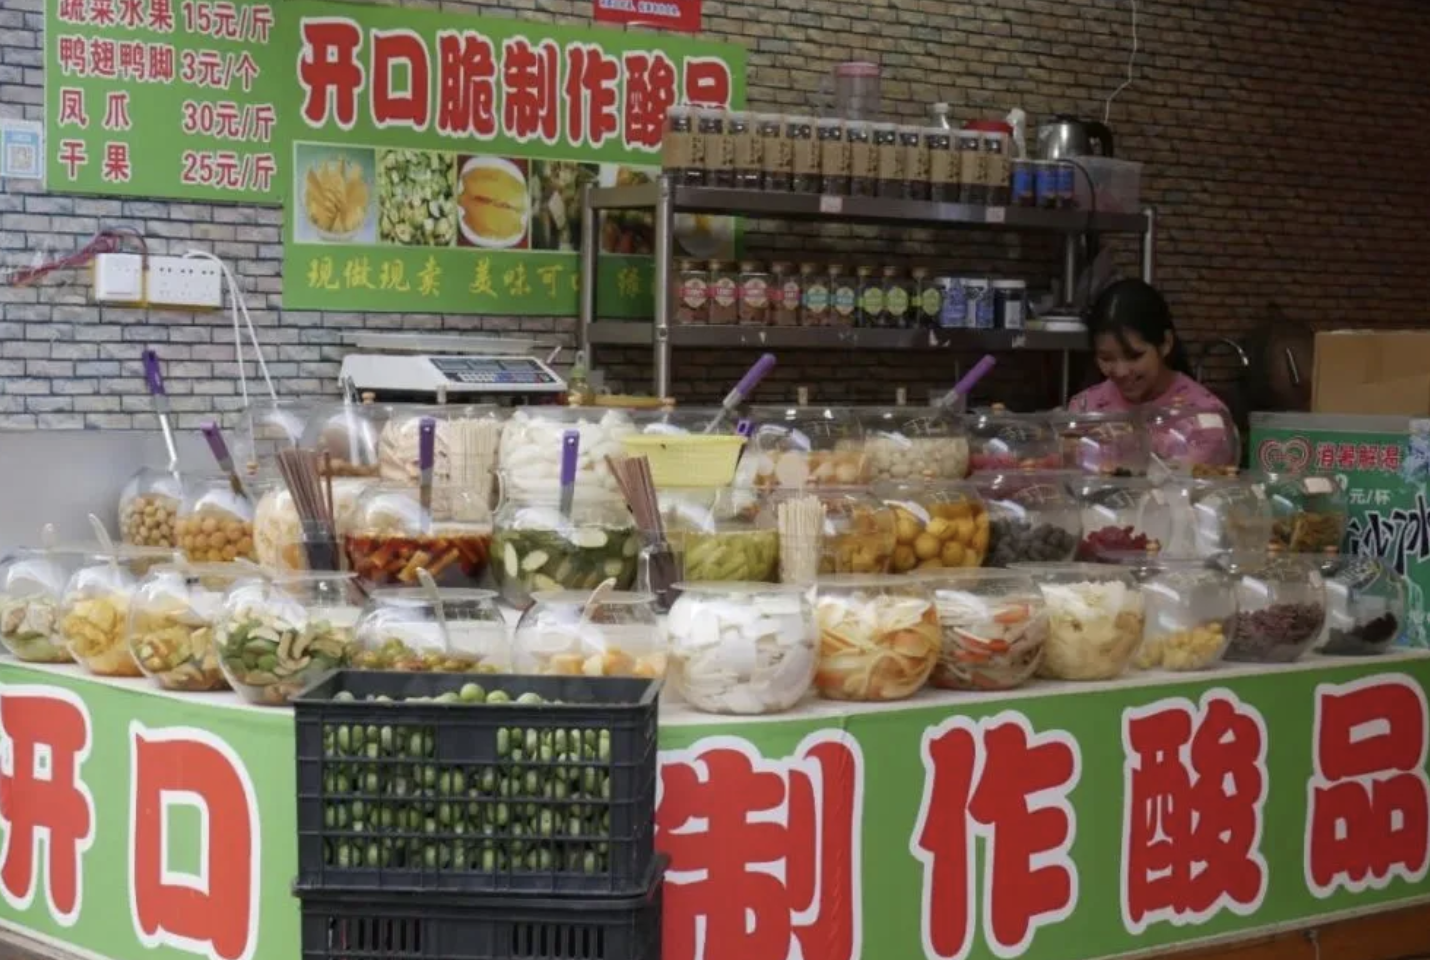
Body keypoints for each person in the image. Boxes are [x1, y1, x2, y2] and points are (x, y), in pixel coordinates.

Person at [1066, 279, 1227, 413]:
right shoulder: (1084, 410)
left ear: (1166, 343)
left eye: (1134, 356)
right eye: (1106, 358)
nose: (1121, 372)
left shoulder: (1204, 414)